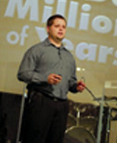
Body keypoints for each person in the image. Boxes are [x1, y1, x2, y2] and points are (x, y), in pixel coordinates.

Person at [17, 14, 87, 143]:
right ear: (48, 28)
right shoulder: (37, 50)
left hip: (61, 105)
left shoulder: (69, 56)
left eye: (64, 27)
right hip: (41, 102)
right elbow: (22, 73)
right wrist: (45, 78)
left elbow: (71, 81)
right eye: (57, 26)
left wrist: (76, 86)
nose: (61, 29)